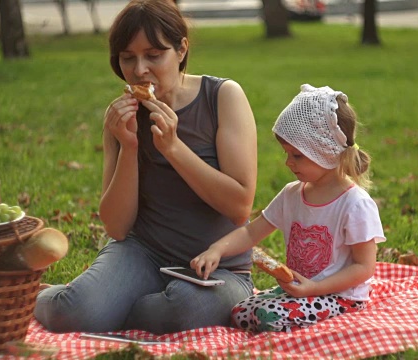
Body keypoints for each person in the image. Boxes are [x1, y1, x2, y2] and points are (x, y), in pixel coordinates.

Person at [34, 0, 257, 335]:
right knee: (74, 313)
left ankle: (113, 308)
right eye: (128, 57)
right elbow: (117, 227)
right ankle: (38, 295)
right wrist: (129, 145)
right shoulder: (120, 116)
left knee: (183, 310)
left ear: (181, 50)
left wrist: (173, 148)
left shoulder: (222, 96)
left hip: (220, 267)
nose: (139, 69)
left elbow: (239, 207)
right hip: (144, 253)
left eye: (154, 54)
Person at [191, 84, 386, 333]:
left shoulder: (354, 204)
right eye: (287, 154)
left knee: (267, 317)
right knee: (240, 314)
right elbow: (252, 233)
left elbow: (364, 267)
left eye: (297, 155)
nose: (287, 162)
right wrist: (217, 249)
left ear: (325, 152)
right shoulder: (292, 194)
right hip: (299, 291)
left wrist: (314, 289)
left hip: (340, 297)